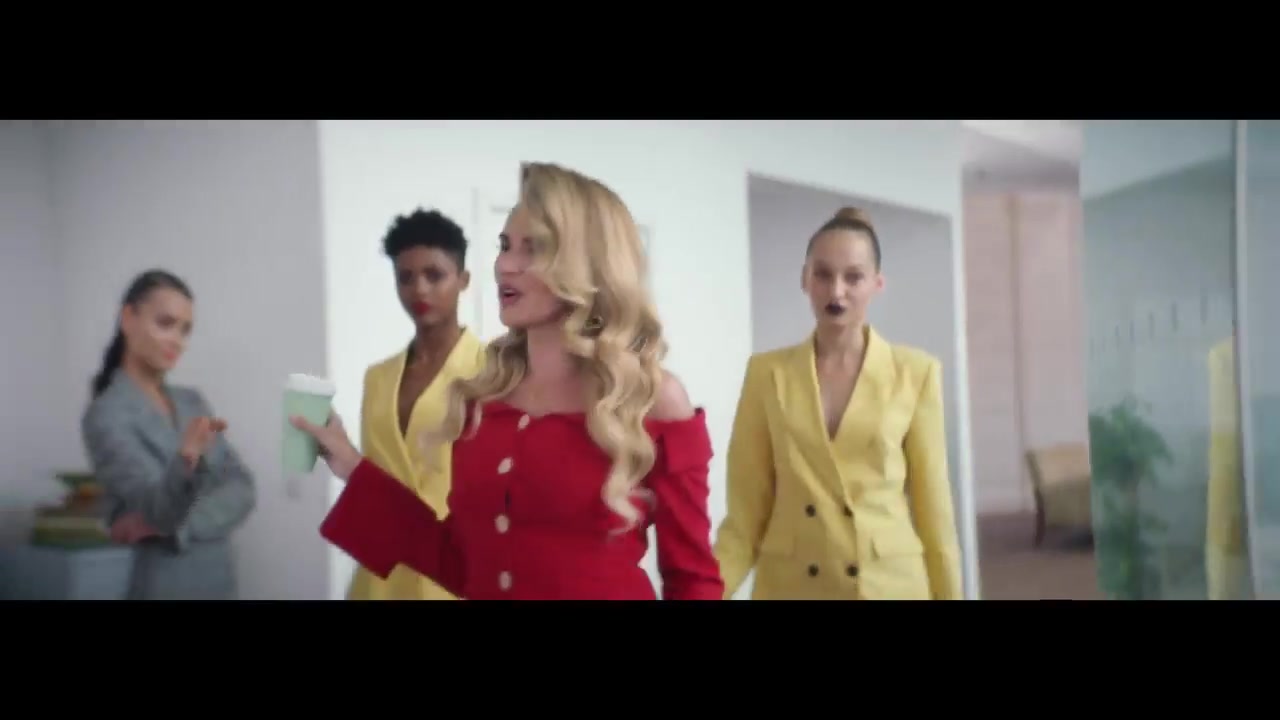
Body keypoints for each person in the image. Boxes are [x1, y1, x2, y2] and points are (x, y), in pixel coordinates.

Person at [291, 162, 723, 600]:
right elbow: (459, 562)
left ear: (586, 266)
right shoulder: (482, 399)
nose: (504, 266)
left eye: (532, 249)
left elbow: (693, 581)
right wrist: (350, 465)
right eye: (504, 246)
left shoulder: (653, 399)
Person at [713, 207, 962, 600]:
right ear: (804, 278)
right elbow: (744, 521)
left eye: (853, 277)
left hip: (889, 586)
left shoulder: (915, 373)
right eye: (823, 274)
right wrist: (702, 594)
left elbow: (936, 517)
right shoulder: (766, 374)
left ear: (877, 283)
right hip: (792, 588)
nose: (836, 291)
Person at [81, 269, 257, 600]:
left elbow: (242, 487)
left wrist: (178, 527)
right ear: (128, 318)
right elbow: (158, 510)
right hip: (164, 584)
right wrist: (187, 459)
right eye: (165, 323)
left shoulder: (193, 402)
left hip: (220, 581)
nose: (177, 340)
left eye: (185, 330)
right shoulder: (106, 414)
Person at [347, 208, 486, 601]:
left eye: (434, 275)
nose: (419, 290)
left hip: (452, 565)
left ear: (463, 280)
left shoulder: (491, 371)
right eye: (405, 278)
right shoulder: (378, 378)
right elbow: (375, 472)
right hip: (381, 567)